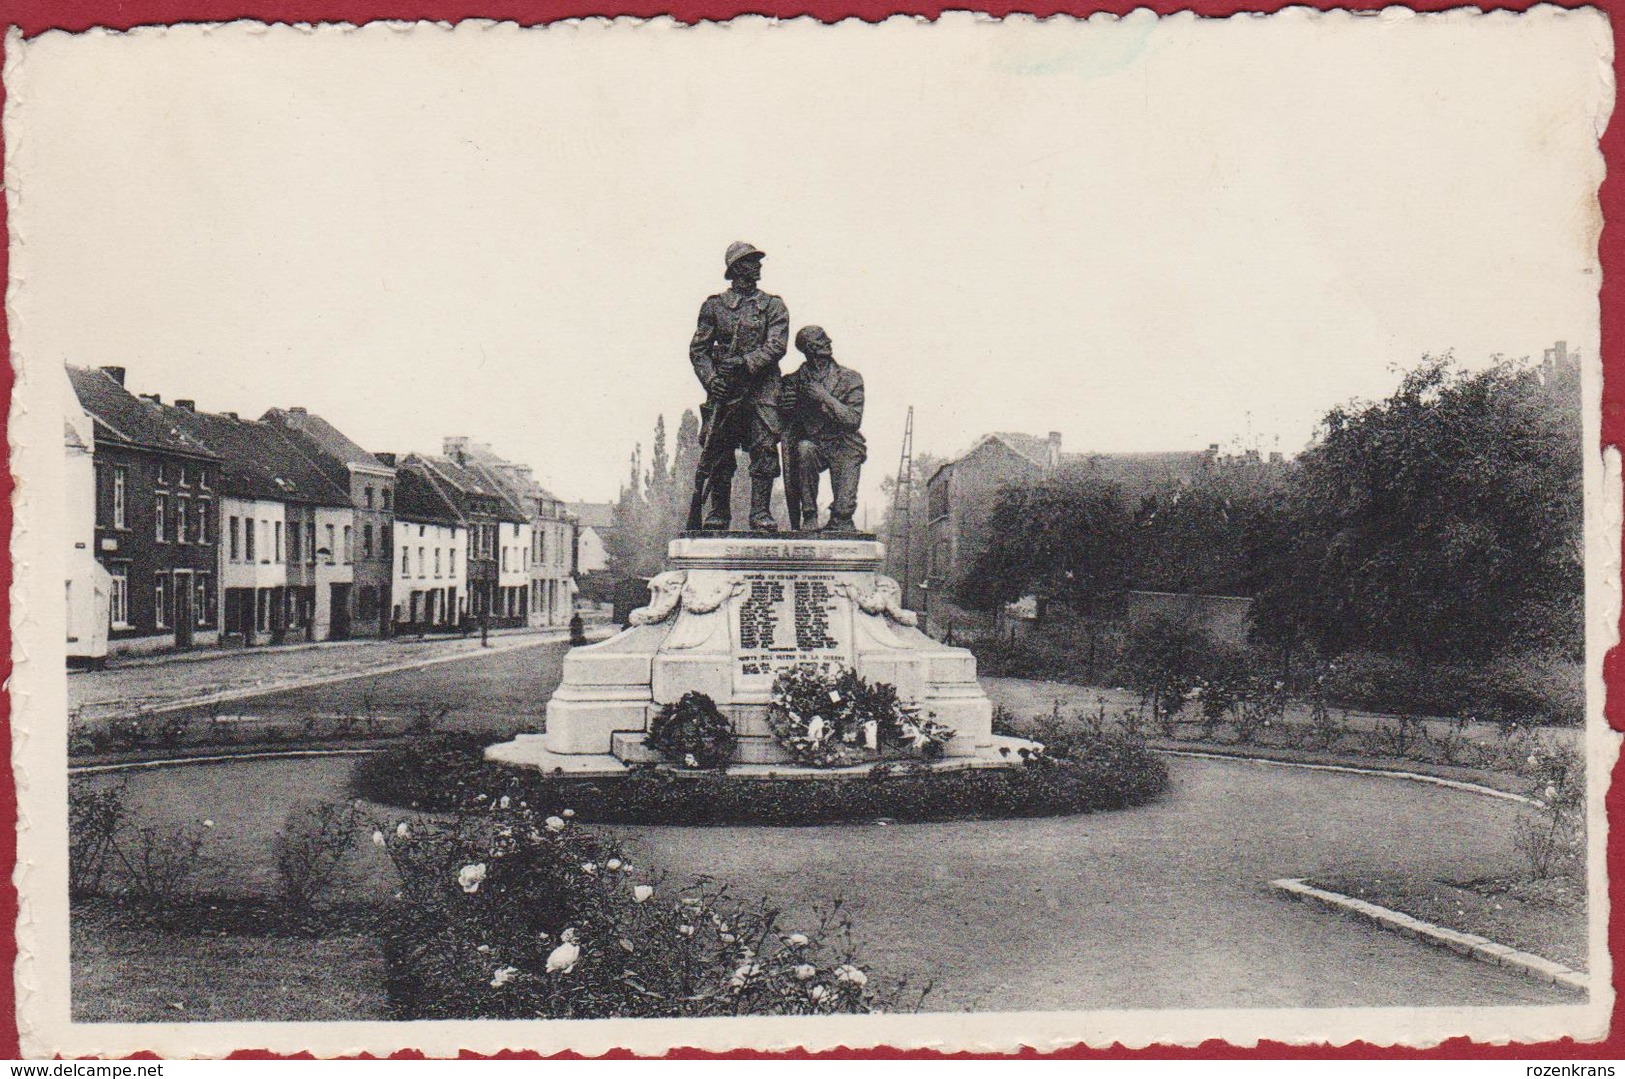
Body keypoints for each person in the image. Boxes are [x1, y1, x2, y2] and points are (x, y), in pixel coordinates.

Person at [687, 242, 790, 532]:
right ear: (735, 269)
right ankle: (718, 512)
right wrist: (711, 380)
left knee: (765, 447)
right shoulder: (714, 306)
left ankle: (760, 513)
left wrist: (746, 362)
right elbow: (699, 350)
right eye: (751, 261)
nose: (758, 265)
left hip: (762, 388)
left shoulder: (773, 305)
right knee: (719, 447)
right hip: (726, 390)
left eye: (757, 260)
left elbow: (776, 345)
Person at [780, 325, 865, 532]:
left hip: (845, 445)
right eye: (821, 338)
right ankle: (809, 515)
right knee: (805, 449)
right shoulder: (793, 381)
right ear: (808, 347)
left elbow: (853, 420)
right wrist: (786, 405)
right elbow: (783, 419)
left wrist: (824, 396)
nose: (829, 341)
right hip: (815, 444)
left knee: (844, 517)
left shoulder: (850, 378)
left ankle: (840, 517)